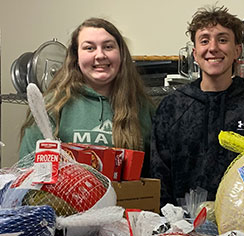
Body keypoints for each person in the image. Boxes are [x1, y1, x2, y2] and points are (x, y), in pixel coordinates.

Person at [150, 5, 244, 207]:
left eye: (222, 39)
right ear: (195, 53)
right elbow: (159, 174)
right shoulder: (172, 106)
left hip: (243, 225)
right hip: (182, 225)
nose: (213, 48)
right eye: (204, 40)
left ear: (237, 50)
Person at [19, 17, 155, 175]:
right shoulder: (51, 105)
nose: (100, 55)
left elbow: (153, 180)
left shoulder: (144, 109)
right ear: (76, 56)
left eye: (108, 46)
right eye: (89, 48)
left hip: (126, 200)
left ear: (121, 54)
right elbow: (27, 173)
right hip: (62, 200)